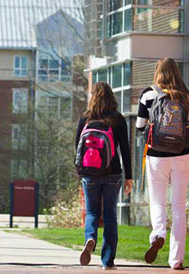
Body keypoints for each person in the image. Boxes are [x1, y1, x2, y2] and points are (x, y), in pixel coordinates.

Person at [136, 58, 189, 270]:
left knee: (158, 201)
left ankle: (158, 234)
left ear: (158, 73)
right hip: (182, 155)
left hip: (156, 155)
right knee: (179, 207)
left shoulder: (149, 93)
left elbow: (139, 126)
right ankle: (176, 260)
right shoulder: (188, 96)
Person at [75, 82, 132, 270]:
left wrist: (80, 171)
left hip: (89, 174)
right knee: (110, 217)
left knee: (92, 212)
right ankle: (108, 261)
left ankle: (90, 238)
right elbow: (125, 150)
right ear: (111, 97)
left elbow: (77, 148)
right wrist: (129, 177)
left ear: (93, 98)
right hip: (113, 173)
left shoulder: (86, 118)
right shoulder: (117, 119)